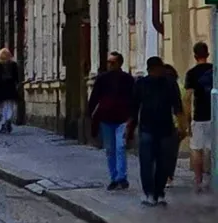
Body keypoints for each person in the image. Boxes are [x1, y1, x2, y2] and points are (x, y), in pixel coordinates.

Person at [127, 55, 183, 206]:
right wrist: (130, 127)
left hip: (156, 128)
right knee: (154, 162)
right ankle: (153, 193)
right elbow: (134, 107)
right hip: (154, 128)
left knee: (156, 163)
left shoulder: (150, 83)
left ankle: (155, 193)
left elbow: (177, 108)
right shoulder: (164, 84)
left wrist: (130, 128)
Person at [89, 52, 135, 190]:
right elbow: (94, 97)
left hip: (122, 119)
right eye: (108, 62)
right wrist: (90, 113)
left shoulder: (128, 79)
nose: (109, 65)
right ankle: (114, 177)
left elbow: (133, 99)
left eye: (112, 62)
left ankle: (121, 177)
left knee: (120, 147)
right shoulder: (102, 79)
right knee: (110, 149)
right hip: (106, 119)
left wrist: (132, 117)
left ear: (120, 63)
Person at [185, 41, 214, 191]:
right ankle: (212, 178)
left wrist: (188, 118)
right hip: (214, 115)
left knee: (197, 149)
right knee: (213, 148)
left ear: (195, 56)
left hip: (199, 116)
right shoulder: (214, 71)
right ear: (207, 54)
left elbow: (188, 98)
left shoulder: (191, 73)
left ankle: (198, 181)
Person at [0, 47, 20, 134]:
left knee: (3, 107)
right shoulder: (14, 65)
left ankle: (4, 123)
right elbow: (16, 78)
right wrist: (17, 84)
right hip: (11, 88)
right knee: (10, 106)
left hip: (1, 88)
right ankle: (7, 121)